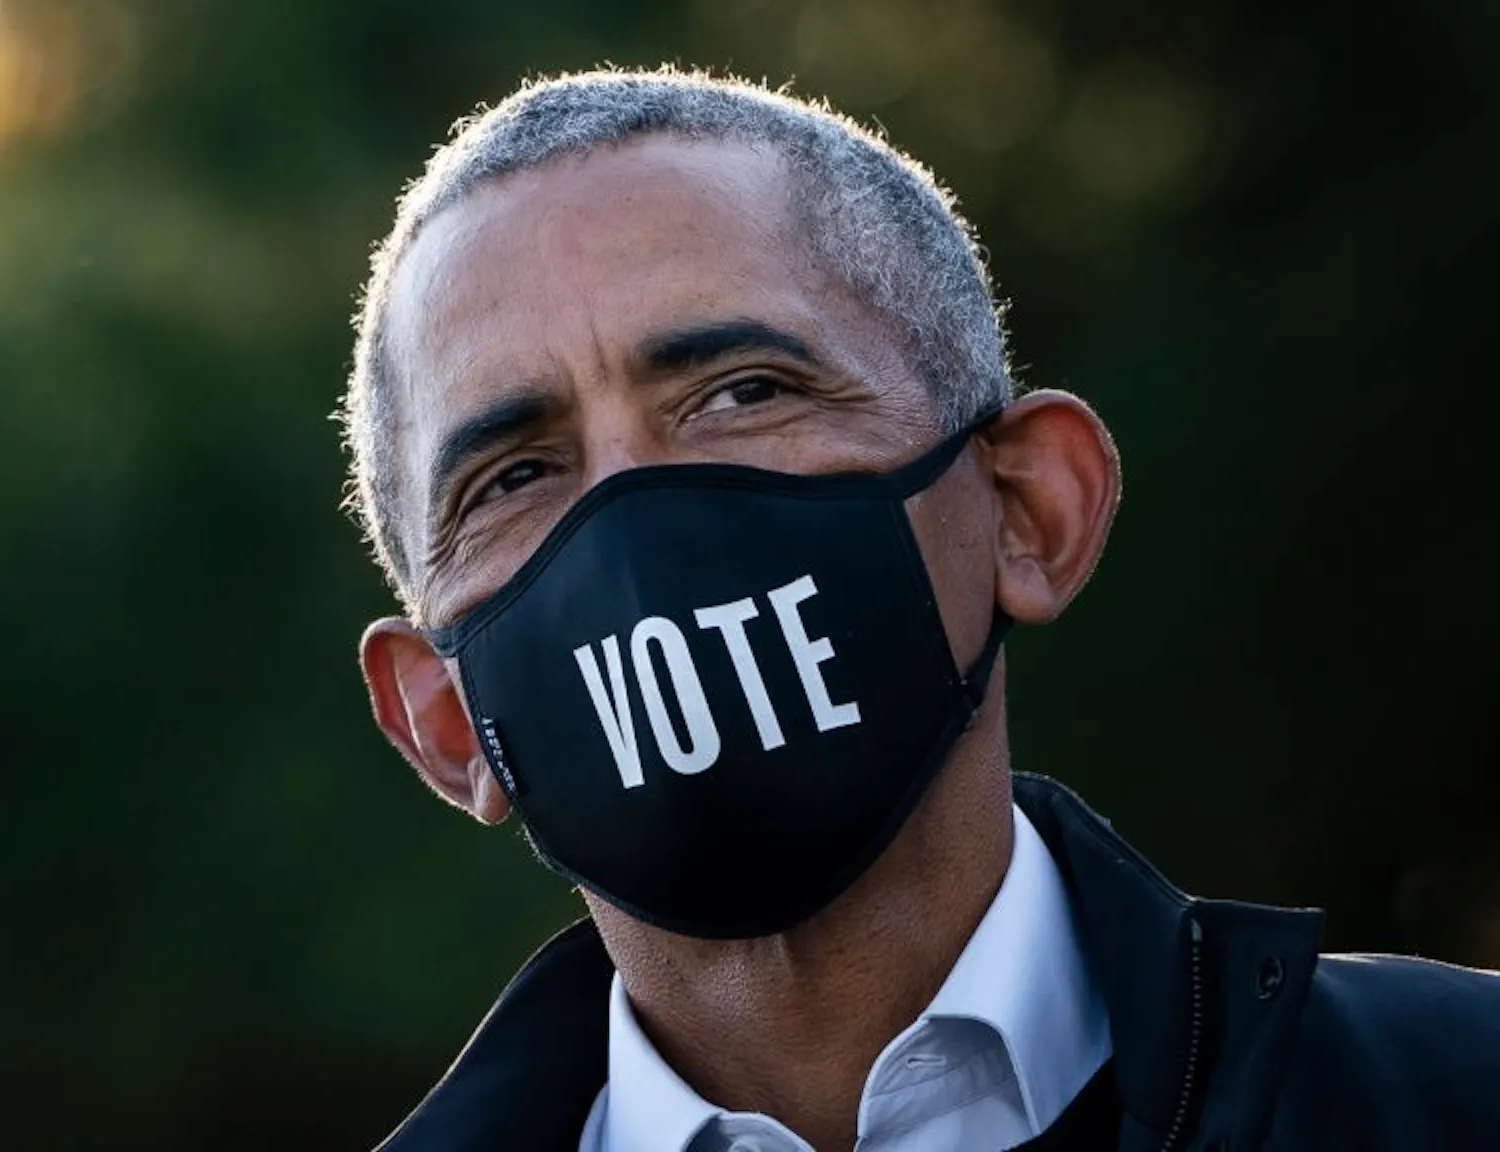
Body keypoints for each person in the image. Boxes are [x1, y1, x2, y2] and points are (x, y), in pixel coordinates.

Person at [337, 69, 1500, 1152]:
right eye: (512, 476)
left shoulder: (1452, 1092)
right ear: (441, 720)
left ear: (1025, 511)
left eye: (743, 393)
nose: (637, 522)